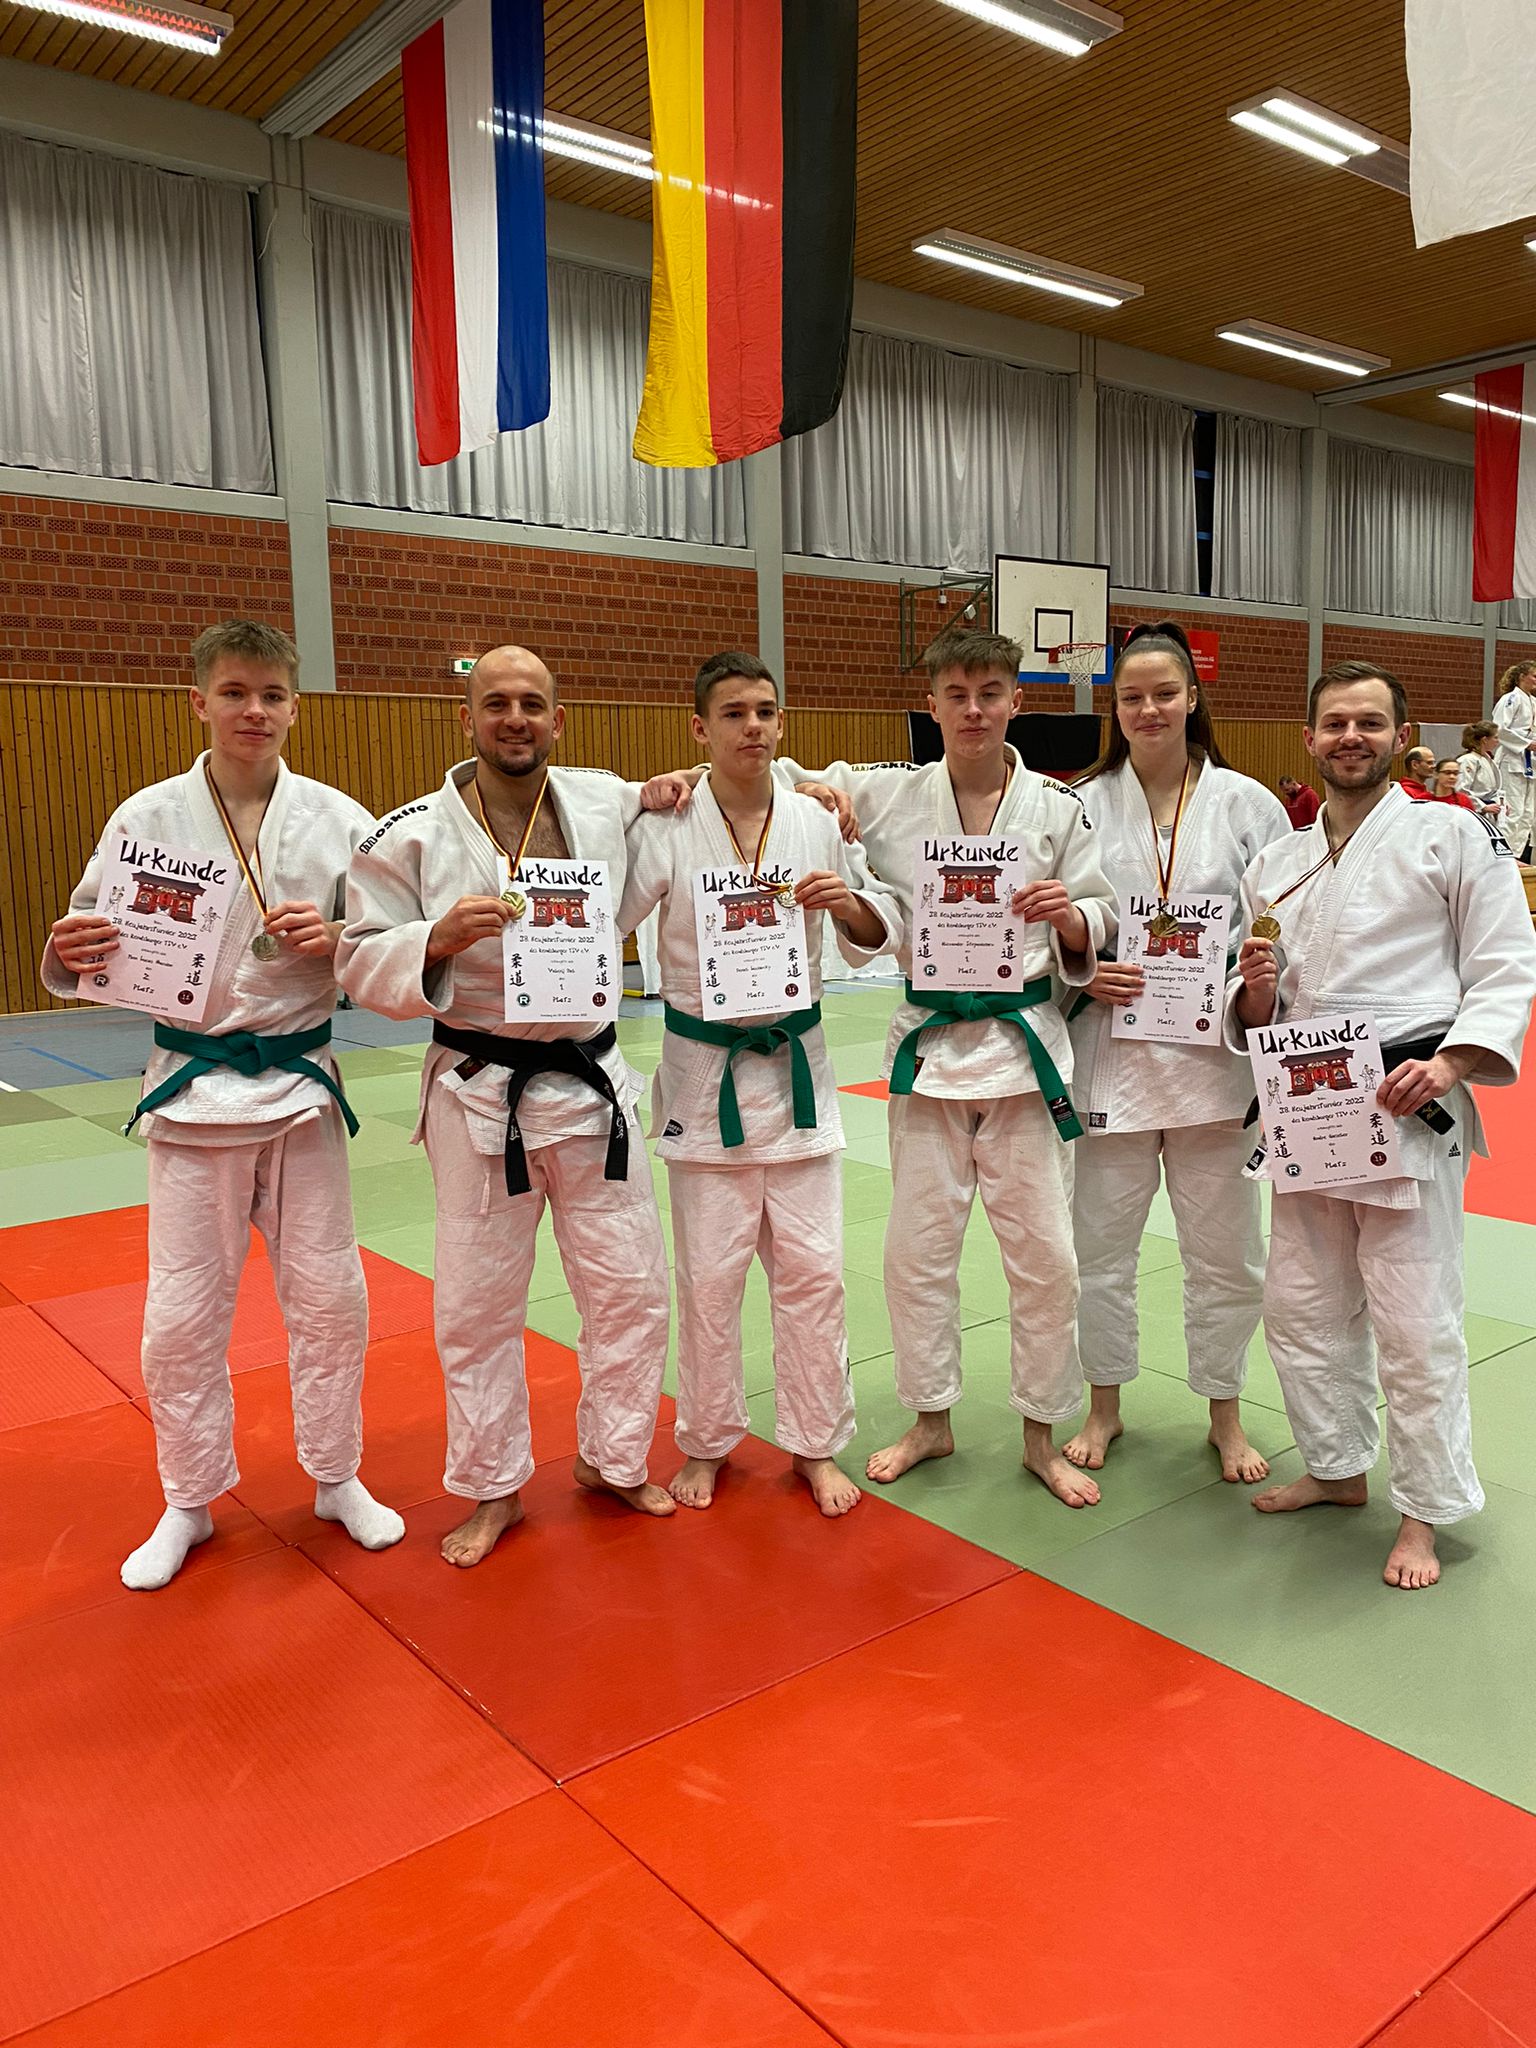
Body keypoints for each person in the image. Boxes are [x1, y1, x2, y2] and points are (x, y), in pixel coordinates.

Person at [41, 620, 404, 1591]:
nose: (256, 710)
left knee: (332, 1298)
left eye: (273, 693)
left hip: (301, 1089)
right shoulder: (146, 819)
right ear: (197, 700)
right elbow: (93, 937)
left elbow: (389, 952)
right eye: (236, 691)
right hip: (193, 1091)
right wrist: (72, 948)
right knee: (182, 1313)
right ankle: (189, 1498)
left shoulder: (338, 819)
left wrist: (338, 941)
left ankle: (337, 1475)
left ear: (296, 705)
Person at [755, 627, 1117, 1507]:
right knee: (917, 1253)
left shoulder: (1060, 811)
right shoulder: (888, 796)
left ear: (1016, 701)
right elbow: (773, 771)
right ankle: (931, 1418)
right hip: (928, 1053)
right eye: (955, 694)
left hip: (1026, 1055)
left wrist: (1070, 916)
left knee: (1048, 1260)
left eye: (990, 692)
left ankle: (1040, 1430)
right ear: (932, 705)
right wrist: (816, 798)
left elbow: (1105, 912)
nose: (973, 709)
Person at [336, 647, 681, 1566]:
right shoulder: (406, 833)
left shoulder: (602, 799)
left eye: (533, 703)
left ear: (558, 720)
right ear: (468, 719)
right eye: (497, 704)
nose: (516, 718)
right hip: (480, 1093)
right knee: (479, 1308)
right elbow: (358, 957)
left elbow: (676, 795)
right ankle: (493, 1488)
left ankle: (612, 1459)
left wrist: (686, 787)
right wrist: (433, 939)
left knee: (633, 1289)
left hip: (595, 1083)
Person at [1230, 660, 1536, 1590]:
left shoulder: (1451, 834)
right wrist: (1253, 993)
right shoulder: (1277, 861)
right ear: (1310, 738)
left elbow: (1505, 965)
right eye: (1333, 724)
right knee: (1301, 1306)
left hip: (1409, 1101)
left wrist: (1450, 1061)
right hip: (1307, 1104)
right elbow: (1252, 1015)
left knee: (1414, 1320)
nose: (1349, 738)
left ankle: (1425, 1513)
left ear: (1402, 737)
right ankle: (1335, 1469)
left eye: (1369, 722)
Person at [618, 652, 900, 1515]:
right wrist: (634, 795)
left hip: (802, 1074)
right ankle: (708, 1440)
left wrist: (846, 904)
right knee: (710, 1277)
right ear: (700, 728)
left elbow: (872, 922)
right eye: (734, 712)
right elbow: (611, 920)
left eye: (767, 712)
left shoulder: (816, 819)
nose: (754, 727)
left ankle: (816, 1445)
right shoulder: (666, 822)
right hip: (705, 1083)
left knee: (815, 1273)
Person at [1064, 622, 1291, 1482]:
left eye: (1165, 693)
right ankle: (1104, 1405)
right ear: (1113, 708)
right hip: (1114, 1061)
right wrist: (1083, 973)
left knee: (1225, 1254)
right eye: (1132, 696)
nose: (1149, 708)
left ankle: (1224, 1413)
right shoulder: (1082, 803)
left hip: (1213, 1063)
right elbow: (1055, 920)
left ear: (1193, 698)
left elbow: (1272, 922)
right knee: (1102, 1250)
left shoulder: (1246, 804)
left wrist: (1253, 975)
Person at [1491, 660, 1536, 859]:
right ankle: (1505, 857)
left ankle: (1516, 856)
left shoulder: (1533, 702)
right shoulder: (1510, 699)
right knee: (1512, 812)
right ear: (1521, 677)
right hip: (1512, 759)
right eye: (1533, 675)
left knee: (1527, 814)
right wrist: (1526, 743)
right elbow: (1499, 728)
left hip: (1530, 763)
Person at [1457, 721, 1507, 831]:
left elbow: (1494, 790)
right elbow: (1460, 790)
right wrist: (1482, 807)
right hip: (1472, 813)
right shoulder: (1468, 760)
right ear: (1485, 739)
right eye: (1495, 738)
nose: (1498, 742)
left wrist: (1501, 804)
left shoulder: (1487, 759)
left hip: (1488, 813)